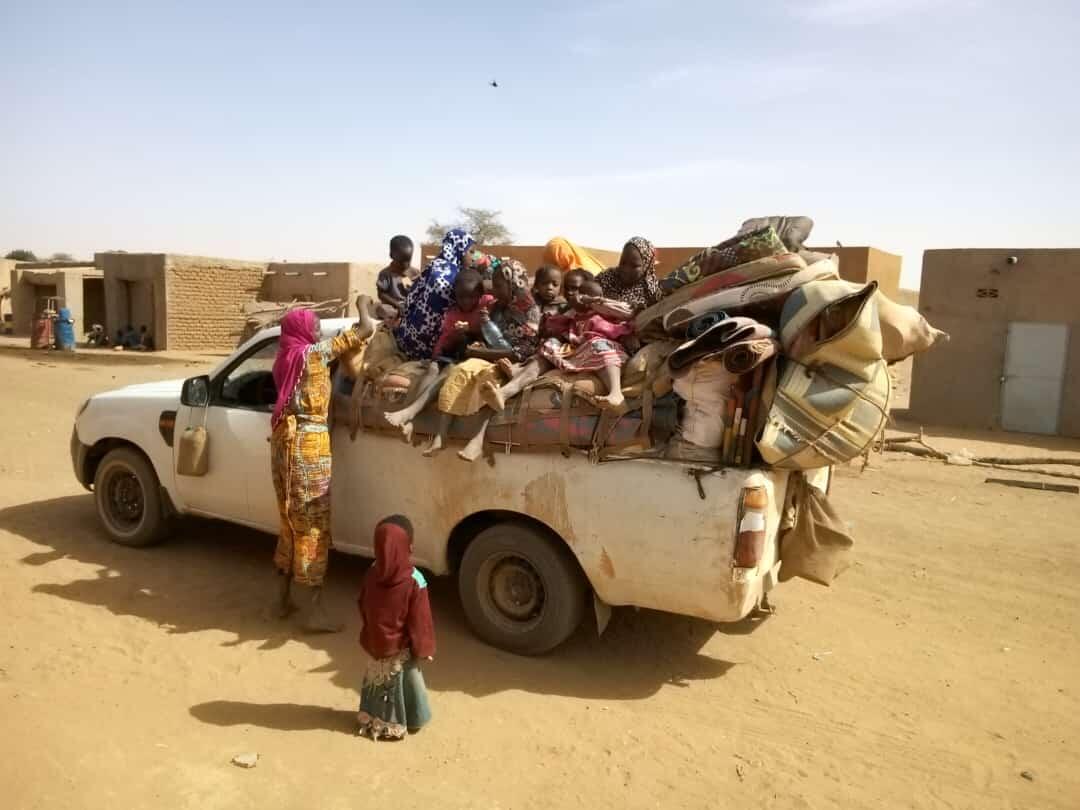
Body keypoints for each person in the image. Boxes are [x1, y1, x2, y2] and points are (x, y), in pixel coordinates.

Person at [270, 308, 374, 632]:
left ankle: (282, 598)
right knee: (313, 522)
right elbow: (367, 328)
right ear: (303, 331)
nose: (318, 334)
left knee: (289, 520)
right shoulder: (313, 355)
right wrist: (363, 304)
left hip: (282, 444)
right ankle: (315, 611)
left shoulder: (284, 357)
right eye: (314, 328)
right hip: (309, 446)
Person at [427, 259, 541, 461]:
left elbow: (520, 352)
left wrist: (479, 353)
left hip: (515, 363)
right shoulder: (496, 307)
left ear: (514, 284)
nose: (494, 291)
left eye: (498, 286)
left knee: (490, 382)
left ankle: (477, 440)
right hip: (490, 354)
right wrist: (477, 345)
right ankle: (441, 434)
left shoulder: (531, 311)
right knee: (460, 371)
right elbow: (487, 336)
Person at [357, 515, 435, 741]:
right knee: (408, 683)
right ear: (409, 546)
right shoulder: (414, 580)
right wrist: (424, 649)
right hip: (400, 650)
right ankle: (409, 720)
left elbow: (362, 603)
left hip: (375, 644)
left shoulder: (371, 573)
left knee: (376, 684)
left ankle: (371, 719)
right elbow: (420, 621)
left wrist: (371, 631)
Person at [536, 276, 635, 409]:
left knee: (600, 346)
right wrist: (572, 306)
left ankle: (616, 394)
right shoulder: (573, 314)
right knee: (549, 345)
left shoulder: (604, 314)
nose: (584, 298)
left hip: (601, 345)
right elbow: (554, 325)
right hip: (580, 350)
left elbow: (621, 322)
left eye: (589, 296)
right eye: (581, 294)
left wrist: (596, 303)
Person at [393, 229, 474, 361]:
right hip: (427, 348)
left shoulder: (434, 265)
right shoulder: (454, 276)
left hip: (405, 338)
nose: (473, 257)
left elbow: (410, 298)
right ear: (460, 250)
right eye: (470, 251)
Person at [596, 236, 663, 312]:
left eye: (634, 266)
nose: (626, 270)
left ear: (646, 266)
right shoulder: (606, 277)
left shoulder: (652, 291)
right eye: (623, 262)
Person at [375, 235, 419, 323]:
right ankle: (397, 317)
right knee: (380, 309)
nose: (405, 265)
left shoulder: (415, 272)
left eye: (408, 261)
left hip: (411, 305)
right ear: (391, 255)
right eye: (402, 262)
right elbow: (381, 294)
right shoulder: (385, 273)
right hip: (394, 306)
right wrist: (398, 306)